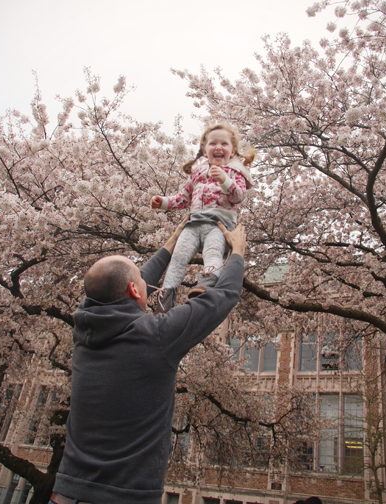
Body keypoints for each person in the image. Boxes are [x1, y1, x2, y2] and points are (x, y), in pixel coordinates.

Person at [50, 218, 247, 504]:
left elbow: (120, 283)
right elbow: (222, 297)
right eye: (143, 283)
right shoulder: (156, 335)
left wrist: (173, 242)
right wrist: (238, 252)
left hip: (65, 493)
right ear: (134, 290)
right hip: (125, 496)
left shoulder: (85, 325)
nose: (147, 283)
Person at [151, 122, 254, 312]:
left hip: (218, 224)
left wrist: (224, 180)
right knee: (178, 258)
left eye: (224, 144)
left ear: (232, 151)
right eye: (213, 143)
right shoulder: (198, 171)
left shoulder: (236, 171)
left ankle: (206, 285)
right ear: (205, 151)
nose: (218, 147)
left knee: (213, 253)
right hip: (194, 223)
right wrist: (163, 202)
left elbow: (238, 196)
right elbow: (183, 197)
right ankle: (164, 299)